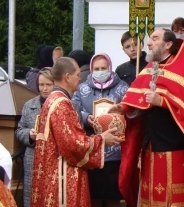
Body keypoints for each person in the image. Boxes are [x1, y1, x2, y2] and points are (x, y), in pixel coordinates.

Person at [110, 29, 184, 207]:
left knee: (173, 197)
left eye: (154, 39)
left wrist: (162, 101)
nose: (148, 43)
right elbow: (137, 99)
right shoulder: (150, 68)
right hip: (150, 144)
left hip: (175, 146)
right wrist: (123, 107)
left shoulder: (182, 70)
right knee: (151, 197)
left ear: (168, 44)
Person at [30, 57, 123, 207]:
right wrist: (102, 139)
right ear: (67, 77)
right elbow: (73, 145)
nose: (81, 78)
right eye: (78, 74)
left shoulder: (53, 99)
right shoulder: (62, 104)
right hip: (61, 177)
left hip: (52, 172)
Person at [73, 53, 128, 207]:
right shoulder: (82, 88)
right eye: (96, 68)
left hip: (115, 151)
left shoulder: (123, 87)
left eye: (103, 68)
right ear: (91, 69)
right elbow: (73, 109)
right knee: (93, 197)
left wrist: (120, 113)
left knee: (113, 197)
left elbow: (130, 110)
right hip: (92, 150)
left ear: (110, 68)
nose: (100, 71)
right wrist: (86, 117)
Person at [15, 68, 54, 207]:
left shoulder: (65, 104)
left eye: (48, 85)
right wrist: (29, 135)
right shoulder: (29, 105)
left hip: (53, 159)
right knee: (32, 197)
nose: (44, 88)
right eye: (41, 84)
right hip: (33, 158)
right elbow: (20, 130)